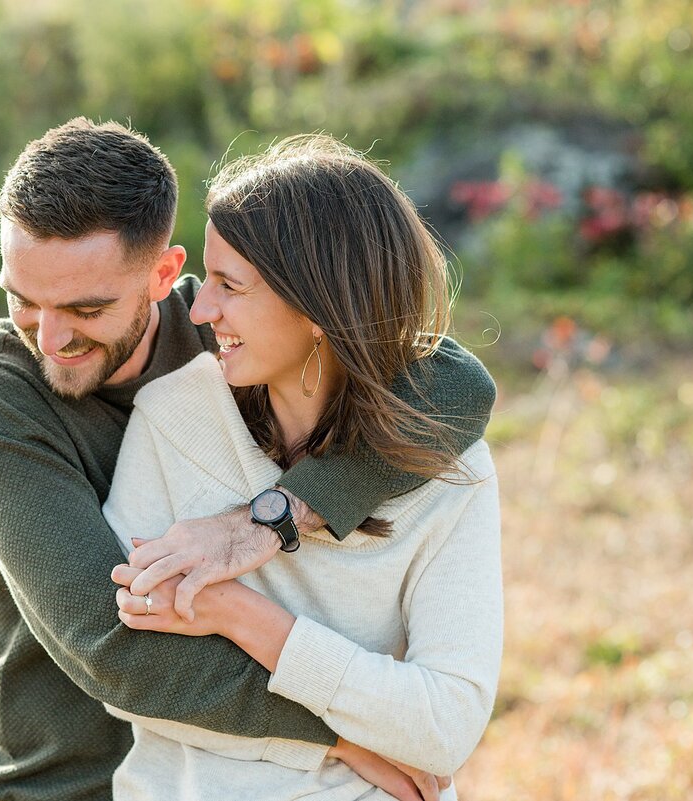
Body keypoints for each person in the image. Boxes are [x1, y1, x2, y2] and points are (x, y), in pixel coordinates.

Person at [0, 118, 497, 801]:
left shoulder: (227, 338)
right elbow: (111, 645)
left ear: (164, 274)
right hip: (70, 778)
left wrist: (270, 518)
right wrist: (347, 734)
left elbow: (459, 383)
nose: (49, 338)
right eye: (23, 300)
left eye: (85, 307)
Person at [102, 134, 503, 800]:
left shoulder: (447, 466)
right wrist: (345, 733)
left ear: (319, 306)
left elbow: (444, 726)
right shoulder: (174, 418)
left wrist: (235, 610)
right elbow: (128, 668)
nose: (200, 310)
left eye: (230, 286)